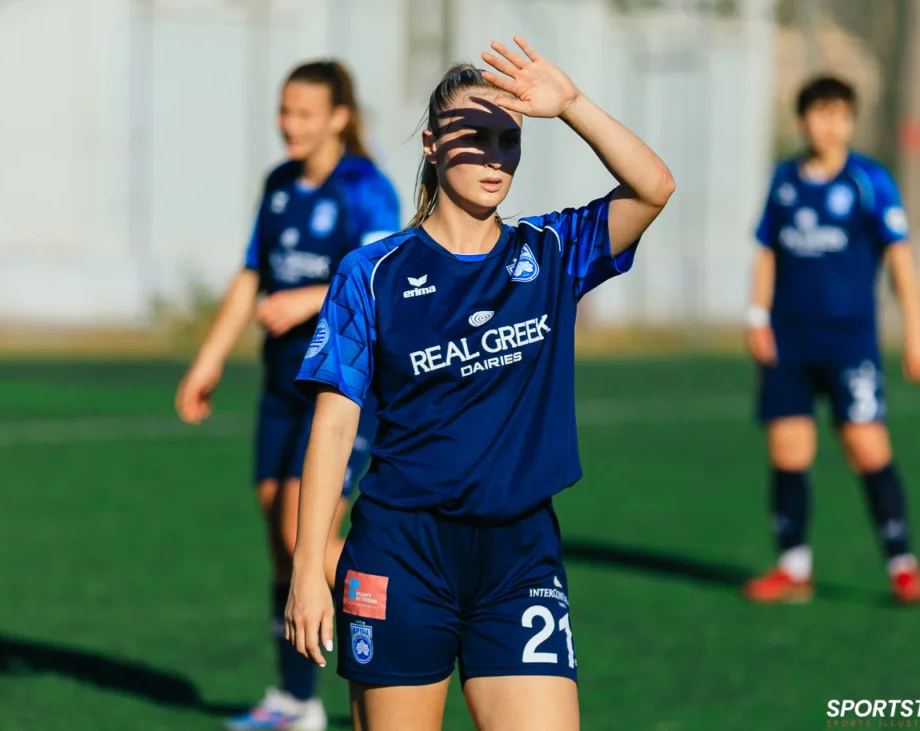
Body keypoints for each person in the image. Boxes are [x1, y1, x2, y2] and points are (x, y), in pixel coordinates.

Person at [284, 37, 674, 731]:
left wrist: (573, 104)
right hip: (401, 554)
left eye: (508, 140)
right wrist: (308, 566)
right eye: (476, 137)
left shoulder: (552, 252)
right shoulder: (371, 273)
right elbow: (335, 426)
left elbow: (654, 188)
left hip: (520, 557)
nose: (495, 158)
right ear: (432, 145)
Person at [175, 59, 400, 730]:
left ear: (338, 117)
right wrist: (208, 360)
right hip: (280, 384)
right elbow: (251, 275)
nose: (289, 124)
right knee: (281, 539)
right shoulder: (279, 184)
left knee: (304, 531)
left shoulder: (367, 188)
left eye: (304, 113)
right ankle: (297, 701)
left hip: (342, 389)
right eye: (284, 110)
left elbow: (383, 278)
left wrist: (309, 297)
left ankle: (410, 615)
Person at [742, 76, 920, 605]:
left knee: (867, 446)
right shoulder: (785, 180)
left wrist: (916, 331)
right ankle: (793, 567)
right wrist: (757, 316)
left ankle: (901, 564)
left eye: (840, 115)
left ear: (851, 122)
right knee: (788, 451)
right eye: (819, 114)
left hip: (850, 343)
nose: (829, 125)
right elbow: (766, 250)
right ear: (801, 121)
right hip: (788, 340)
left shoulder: (869, 181)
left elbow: (899, 258)